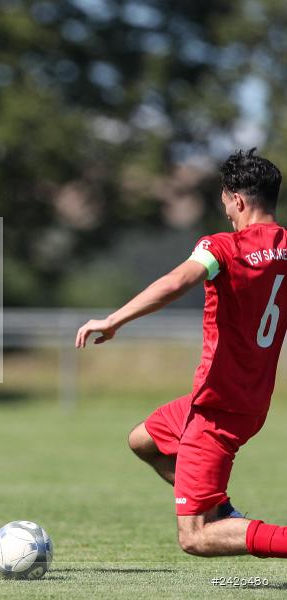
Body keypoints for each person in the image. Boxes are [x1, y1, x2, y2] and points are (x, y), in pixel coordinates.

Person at [75, 148, 287, 559]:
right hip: (246, 400)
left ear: (237, 200)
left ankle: (223, 519)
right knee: (143, 441)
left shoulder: (223, 247)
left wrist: (115, 319)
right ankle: (222, 509)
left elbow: (176, 282)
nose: (225, 210)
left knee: (196, 537)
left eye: (225, 201)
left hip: (217, 408)